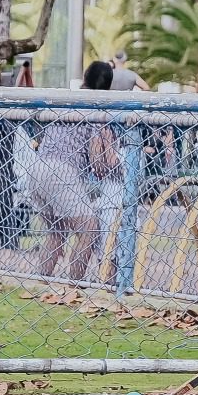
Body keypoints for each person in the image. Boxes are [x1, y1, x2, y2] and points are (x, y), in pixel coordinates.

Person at [28, 62, 118, 283]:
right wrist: (114, 165)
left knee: (57, 231)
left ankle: (41, 281)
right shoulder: (97, 109)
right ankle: (74, 285)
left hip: (38, 168)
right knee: (89, 228)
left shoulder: (66, 99)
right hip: (62, 171)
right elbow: (98, 161)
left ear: (85, 77)